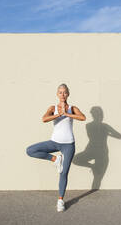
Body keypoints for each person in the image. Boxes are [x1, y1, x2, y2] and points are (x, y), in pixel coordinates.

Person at [26, 83, 86, 212]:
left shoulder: (72, 108)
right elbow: (44, 119)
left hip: (68, 145)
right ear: (57, 94)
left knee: (64, 173)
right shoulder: (53, 107)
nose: (62, 94)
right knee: (30, 150)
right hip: (54, 142)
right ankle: (55, 159)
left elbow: (82, 117)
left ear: (68, 94)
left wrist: (67, 114)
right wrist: (59, 114)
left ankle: (60, 200)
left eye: (65, 92)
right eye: (60, 92)